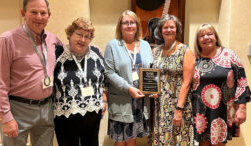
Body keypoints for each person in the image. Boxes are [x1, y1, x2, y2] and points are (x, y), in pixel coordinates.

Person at [0, 0, 61, 146]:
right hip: (18, 110)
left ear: (49, 15)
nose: (39, 17)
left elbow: (67, 57)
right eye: (33, 12)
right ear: (23, 13)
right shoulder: (7, 40)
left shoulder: (52, 39)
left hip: (46, 109)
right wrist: (5, 118)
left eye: (43, 13)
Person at [191, 23, 250, 146]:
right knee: (203, 144)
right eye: (202, 35)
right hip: (200, 111)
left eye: (209, 34)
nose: (206, 37)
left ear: (215, 36)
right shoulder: (193, 58)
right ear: (197, 40)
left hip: (222, 110)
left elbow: (242, 81)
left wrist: (242, 108)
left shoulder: (229, 55)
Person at [53, 17, 106, 146]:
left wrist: (104, 98)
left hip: (92, 112)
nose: (83, 40)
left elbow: (104, 79)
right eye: (79, 34)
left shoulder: (96, 52)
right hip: (66, 114)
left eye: (87, 36)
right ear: (70, 34)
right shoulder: (58, 54)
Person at [104, 10, 153, 146]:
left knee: (132, 139)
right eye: (126, 23)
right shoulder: (112, 45)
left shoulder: (145, 45)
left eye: (132, 22)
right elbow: (109, 72)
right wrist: (128, 88)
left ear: (137, 25)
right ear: (120, 26)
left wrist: (154, 88)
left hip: (140, 100)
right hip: (122, 99)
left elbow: (151, 69)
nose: (129, 25)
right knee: (120, 141)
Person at [149, 14, 195, 145]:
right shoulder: (155, 51)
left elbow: (187, 82)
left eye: (172, 27)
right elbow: (152, 75)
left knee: (177, 139)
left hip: (177, 103)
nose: (168, 30)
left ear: (177, 29)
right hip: (159, 105)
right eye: (165, 27)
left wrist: (179, 109)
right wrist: (151, 90)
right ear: (160, 30)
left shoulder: (185, 51)